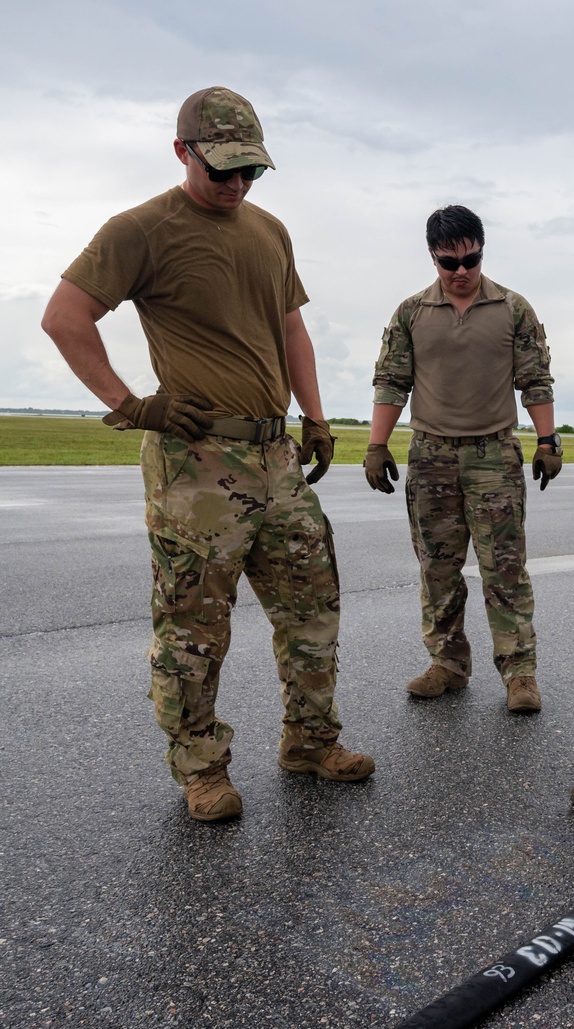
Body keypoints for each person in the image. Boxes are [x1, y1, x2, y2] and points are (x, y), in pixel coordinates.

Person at [40, 86, 374, 824]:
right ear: (182, 151)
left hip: (275, 456)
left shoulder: (269, 231)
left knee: (312, 603)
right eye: (222, 169)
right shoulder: (141, 230)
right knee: (193, 626)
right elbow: (64, 317)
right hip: (196, 462)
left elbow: (291, 331)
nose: (235, 185)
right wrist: (131, 404)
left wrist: (314, 418)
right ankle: (201, 768)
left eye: (249, 171)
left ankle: (311, 741)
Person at [364, 205, 560, 713]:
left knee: (505, 569)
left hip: (493, 453)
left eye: (471, 259)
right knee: (437, 569)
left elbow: (535, 379)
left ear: (481, 251)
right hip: (430, 455)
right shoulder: (411, 314)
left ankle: (520, 674)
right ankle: (447, 664)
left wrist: (547, 441)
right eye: (449, 262)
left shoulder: (514, 309)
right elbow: (392, 382)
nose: (461, 272)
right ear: (433, 258)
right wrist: (376, 445)